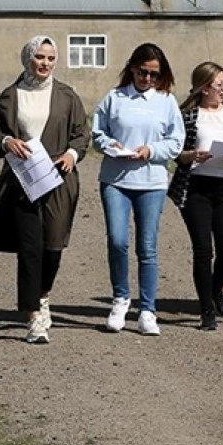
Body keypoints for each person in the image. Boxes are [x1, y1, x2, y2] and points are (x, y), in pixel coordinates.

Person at [0, 36, 89, 344]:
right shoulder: (10, 96)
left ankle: (43, 296)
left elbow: (80, 135)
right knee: (30, 248)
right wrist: (8, 142)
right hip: (23, 181)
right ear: (28, 59)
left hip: (59, 178)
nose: (45, 63)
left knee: (53, 246)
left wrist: (71, 155)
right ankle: (33, 317)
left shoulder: (67, 96)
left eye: (50, 58)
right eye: (40, 57)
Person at [91, 43, 184, 336]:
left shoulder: (167, 101)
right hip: (116, 179)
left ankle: (147, 309)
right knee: (117, 240)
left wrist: (151, 150)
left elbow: (176, 141)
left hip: (152, 181)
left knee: (147, 246)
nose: (147, 79)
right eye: (143, 72)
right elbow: (97, 133)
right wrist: (109, 145)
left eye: (154, 75)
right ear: (132, 68)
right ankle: (120, 299)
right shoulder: (114, 98)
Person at [167, 62, 223, 331]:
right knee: (204, 250)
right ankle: (206, 312)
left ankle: (216, 290)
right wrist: (192, 156)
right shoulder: (188, 115)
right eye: (218, 85)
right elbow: (176, 153)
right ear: (204, 88)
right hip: (196, 188)